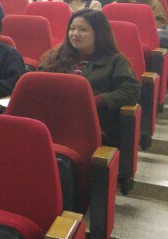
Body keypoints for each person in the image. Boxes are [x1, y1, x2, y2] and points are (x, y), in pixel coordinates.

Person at [39, 9, 140, 146]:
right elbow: (38, 82)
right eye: (72, 29)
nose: (75, 34)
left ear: (98, 34)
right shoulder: (56, 56)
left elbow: (130, 91)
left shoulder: (115, 61)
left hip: (93, 125)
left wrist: (95, 101)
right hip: (54, 119)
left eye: (82, 29)